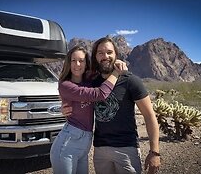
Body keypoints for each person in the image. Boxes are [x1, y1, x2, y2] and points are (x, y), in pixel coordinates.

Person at [62, 37, 161, 174]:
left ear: (116, 55)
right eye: (100, 53)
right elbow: (74, 91)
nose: (105, 56)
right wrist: (65, 105)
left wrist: (154, 152)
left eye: (109, 52)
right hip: (100, 150)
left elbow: (150, 116)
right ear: (95, 57)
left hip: (126, 149)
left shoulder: (131, 81)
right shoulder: (92, 82)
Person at [50, 45, 127, 174]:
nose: (77, 64)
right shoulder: (66, 85)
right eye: (73, 60)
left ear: (87, 63)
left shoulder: (90, 81)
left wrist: (116, 63)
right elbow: (100, 94)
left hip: (84, 146)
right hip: (67, 145)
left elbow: (104, 68)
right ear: (68, 62)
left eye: (81, 60)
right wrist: (116, 72)